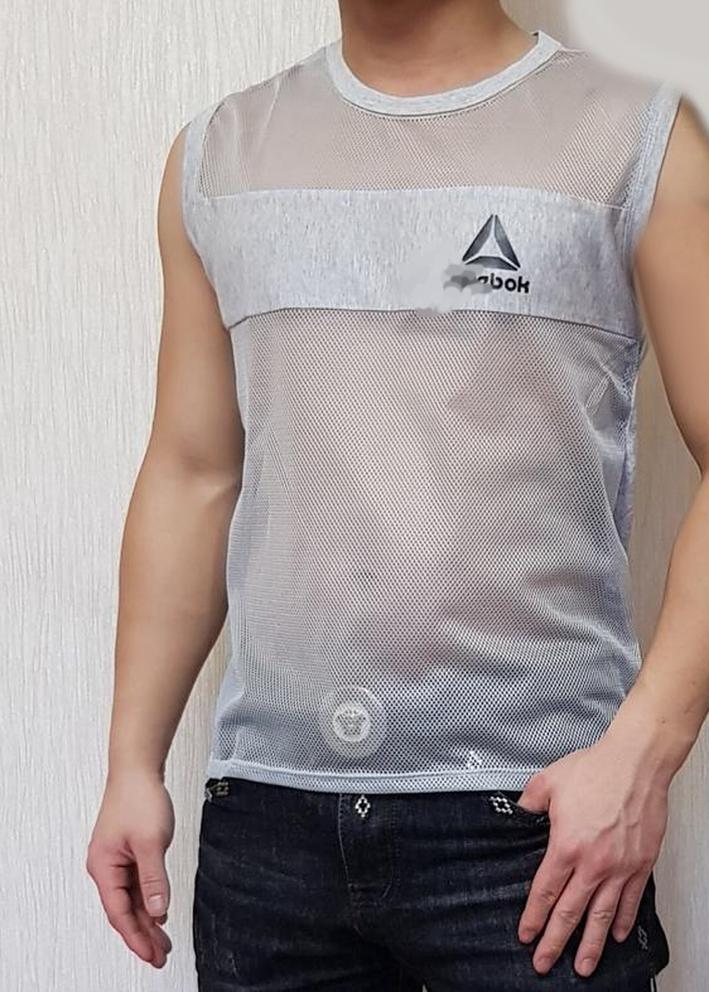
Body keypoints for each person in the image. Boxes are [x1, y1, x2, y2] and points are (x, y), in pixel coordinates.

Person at [86, 1, 709, 989]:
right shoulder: (219, 156)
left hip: (533, 827)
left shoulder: (631, 136)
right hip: (269, 829)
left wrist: (644, 753)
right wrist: (132, 762)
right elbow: (192, 471)